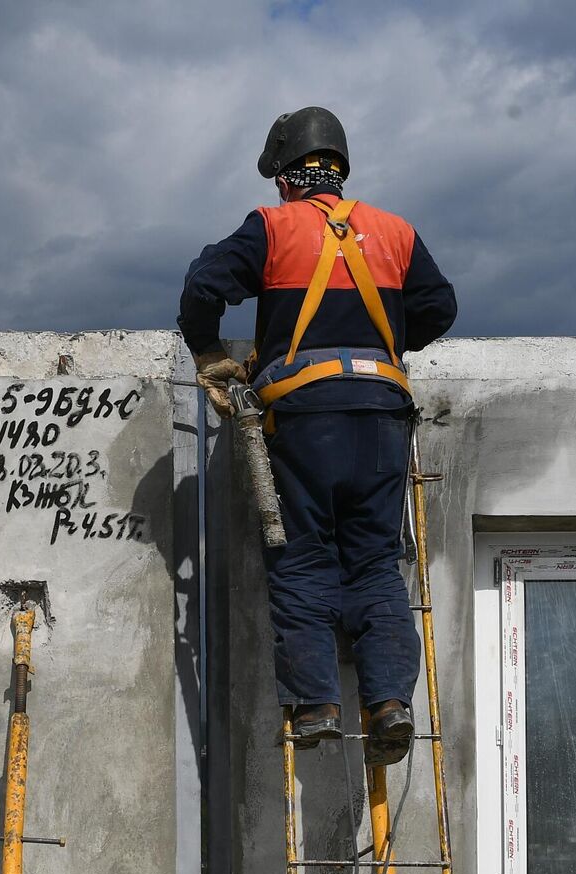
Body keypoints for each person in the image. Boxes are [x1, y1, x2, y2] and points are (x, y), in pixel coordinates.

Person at [178, 106, 457, 766]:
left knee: (303, 559)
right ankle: (389, 702)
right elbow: (440, 307)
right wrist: (378, 346)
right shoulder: (395, 231)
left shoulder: (272, 227)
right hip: (383, 411)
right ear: (338, 169)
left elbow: (201, 288)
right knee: (373, 562)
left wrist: (212, 354)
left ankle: (316, 707)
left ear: (284, 178)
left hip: (303, 418)